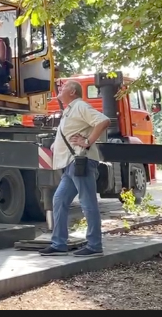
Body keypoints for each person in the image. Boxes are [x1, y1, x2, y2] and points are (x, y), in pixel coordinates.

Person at [39, 80, 111, 257]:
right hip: (71, 164)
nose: (60, 90)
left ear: (72, 92)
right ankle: (59, 244)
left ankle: (94, 245)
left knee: (88, 204)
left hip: (81, 162)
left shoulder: (79, 106)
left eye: (63, 88)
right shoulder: (69, 110)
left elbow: (103, 121)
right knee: (59, 200)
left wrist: (87, 142)